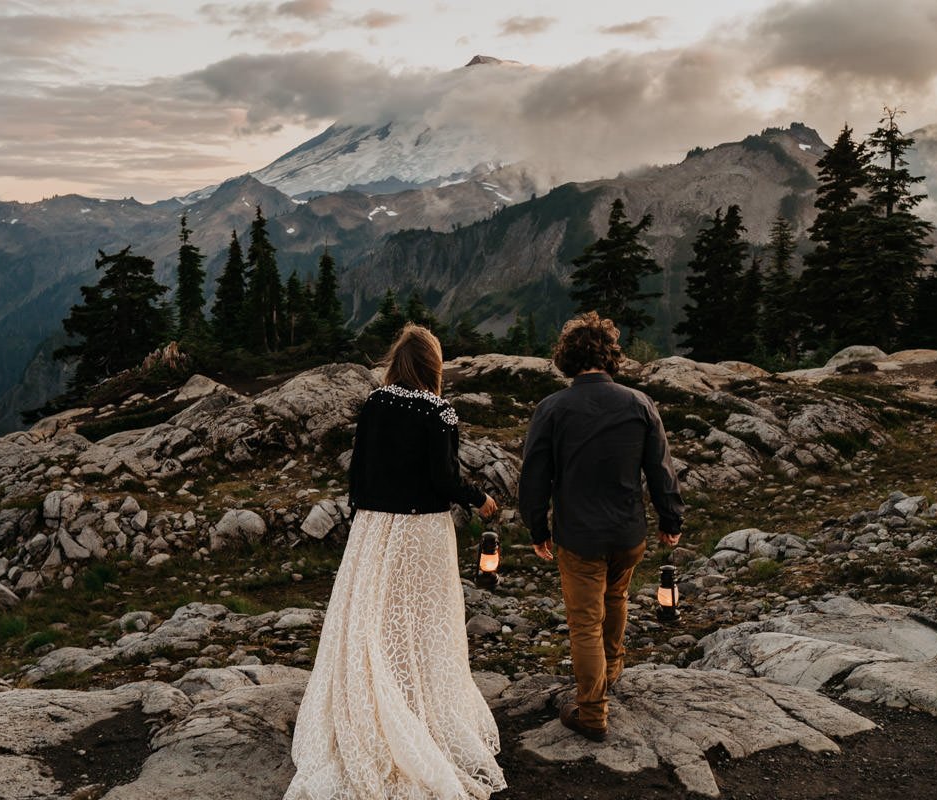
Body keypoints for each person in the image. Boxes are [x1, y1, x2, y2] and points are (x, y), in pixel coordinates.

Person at [284, 323, 506, 800]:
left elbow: (359, 468)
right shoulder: (439, 412)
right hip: (421, 533)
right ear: (433, 366)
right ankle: (414, 707)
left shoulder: (375, 404)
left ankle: (376, 700)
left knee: (374, 617)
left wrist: (367, 512)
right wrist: (479, 499)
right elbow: (443, 480)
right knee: (423, 620)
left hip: (373, 528)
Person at [518, 312, 684, 742]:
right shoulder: (640, 403)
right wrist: (671, 519)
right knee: (618, 596)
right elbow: (661, 470)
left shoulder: (552, 409)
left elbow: (535, 477)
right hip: (629, 533)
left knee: (584, 623)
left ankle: (592, 710)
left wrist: (537, 529)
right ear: (610, 357)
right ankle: (611, 670)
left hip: (580, 536)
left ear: (566, 359)